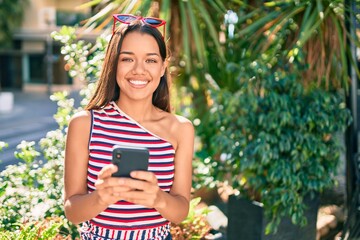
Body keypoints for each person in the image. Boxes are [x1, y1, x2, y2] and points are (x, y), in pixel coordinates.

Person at [63, 14, 195, 240]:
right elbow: (72, 211)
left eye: (151, 60)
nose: (139, 70)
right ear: (114, 64)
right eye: (127, 59)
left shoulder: (181, 129)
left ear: (163, 68)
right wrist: (101, 198)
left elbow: (181, 211)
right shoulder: (84, 124)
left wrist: (156, 197)